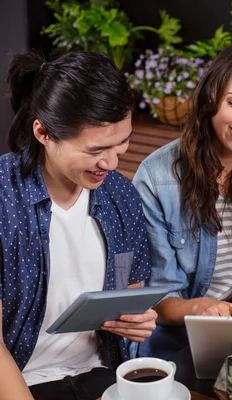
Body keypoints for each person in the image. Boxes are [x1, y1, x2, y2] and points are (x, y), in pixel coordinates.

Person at [0, 51, 157, 400]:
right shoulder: (3, 198)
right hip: (21, 380)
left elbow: (129, 291)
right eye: (95, 149)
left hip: (99, 374)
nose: (112, 162)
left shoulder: (121, 195)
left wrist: (137, 320)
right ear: (43, 132)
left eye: (122, 143)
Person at [133, 43, 232, 360]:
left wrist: (231, 317)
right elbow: (159, 300)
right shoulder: (157, 177)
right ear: (211, 98)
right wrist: (205, 309)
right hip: (173, 340)